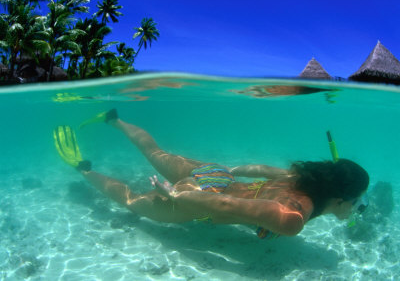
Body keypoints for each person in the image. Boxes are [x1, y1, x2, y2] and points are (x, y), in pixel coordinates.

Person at [54, 109, 369, 239]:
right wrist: (180, 195)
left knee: (156, 152)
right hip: (202, 200)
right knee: (132, 200)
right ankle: (83, 167)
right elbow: (227, 208)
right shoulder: (294, 219)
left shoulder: (300, 179)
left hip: (218, 178)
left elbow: (256, 170)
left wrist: (224, 172)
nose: (356, 209)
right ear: (340, 198)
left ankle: (112, 120)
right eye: (356, 203)